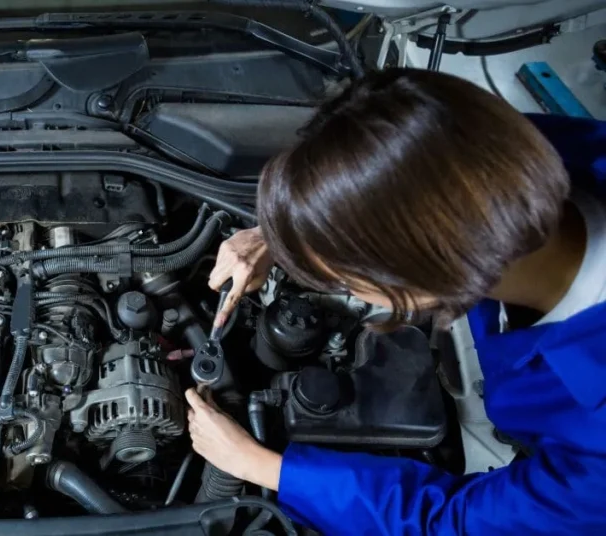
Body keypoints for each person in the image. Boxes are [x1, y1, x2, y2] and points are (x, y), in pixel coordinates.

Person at [184, 68, 606, 535]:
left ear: (427, 275)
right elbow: (402, 179)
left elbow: (454, 522)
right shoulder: (513, 150)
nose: (342, 289)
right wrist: (284, 232)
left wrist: (260, 466)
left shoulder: (597, 443)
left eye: (341, 279)